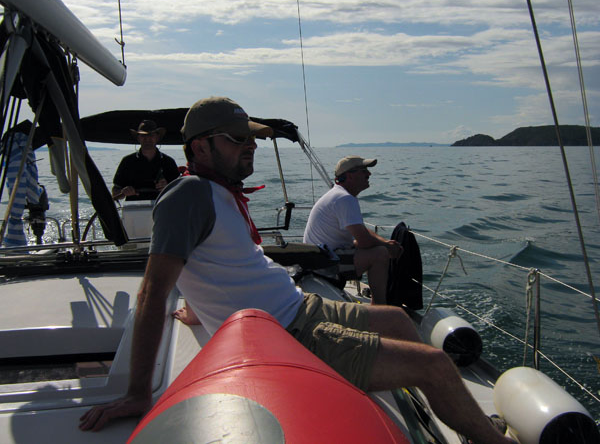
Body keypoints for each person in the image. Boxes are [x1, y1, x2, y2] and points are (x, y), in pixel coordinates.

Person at [79, 97, 514, 444]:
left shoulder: (220, 192)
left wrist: (198, 306)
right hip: (286, 331)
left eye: (251, 138)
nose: (250, 145)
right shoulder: (187, 195)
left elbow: (212, 263)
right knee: (435, 364)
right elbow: (153, 291)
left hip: (297, 305)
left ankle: (437, 406)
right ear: (200, 147)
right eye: (237, 138)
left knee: (398, 319)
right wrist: (138, 392)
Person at [303, 155, 402, 304]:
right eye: (364, 170)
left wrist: (385, 242)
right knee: (380, 253)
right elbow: (364, 241)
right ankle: (380, 306)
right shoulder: (345, 199)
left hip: (319, 259)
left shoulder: (340, 195)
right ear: (349, 175)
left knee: (377, 246)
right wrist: (388, 247)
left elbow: (361, 231)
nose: (369, 174)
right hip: (324, 265)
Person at [111, 120, 180, 201]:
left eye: (151, 135)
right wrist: (123, 192)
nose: (147, 139)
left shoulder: (169, 162)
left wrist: (168, 187)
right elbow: (115, 192)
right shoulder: (127, 162)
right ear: (138, 138)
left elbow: (179, 192)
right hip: (133, 208)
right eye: (143, 136)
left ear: (157, 138)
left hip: (162, 207)